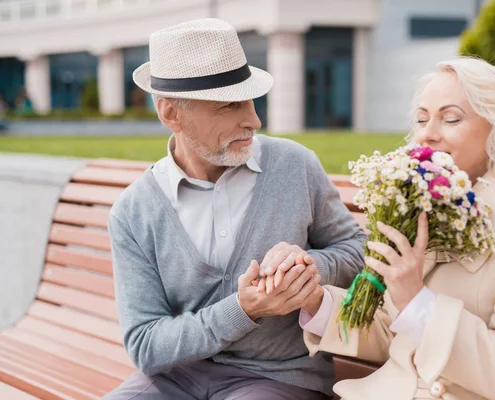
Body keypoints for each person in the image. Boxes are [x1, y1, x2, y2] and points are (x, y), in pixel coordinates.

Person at [104, 18, 366, 399]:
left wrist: (308, 269)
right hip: (175, 378)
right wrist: (241, 309)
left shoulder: (294, 165)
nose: (254, 120)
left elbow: (359, 251)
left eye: (251, 101)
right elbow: (145, 345)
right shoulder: (134, 210)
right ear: (171, 114)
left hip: (279, 377)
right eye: (230, 106)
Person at [295, 57, 495, 400]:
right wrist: (315, 300)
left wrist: (417, 300)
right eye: (422, 119)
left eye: (451, 118)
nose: (428, 133)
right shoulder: (423, 204)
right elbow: (396, 334)